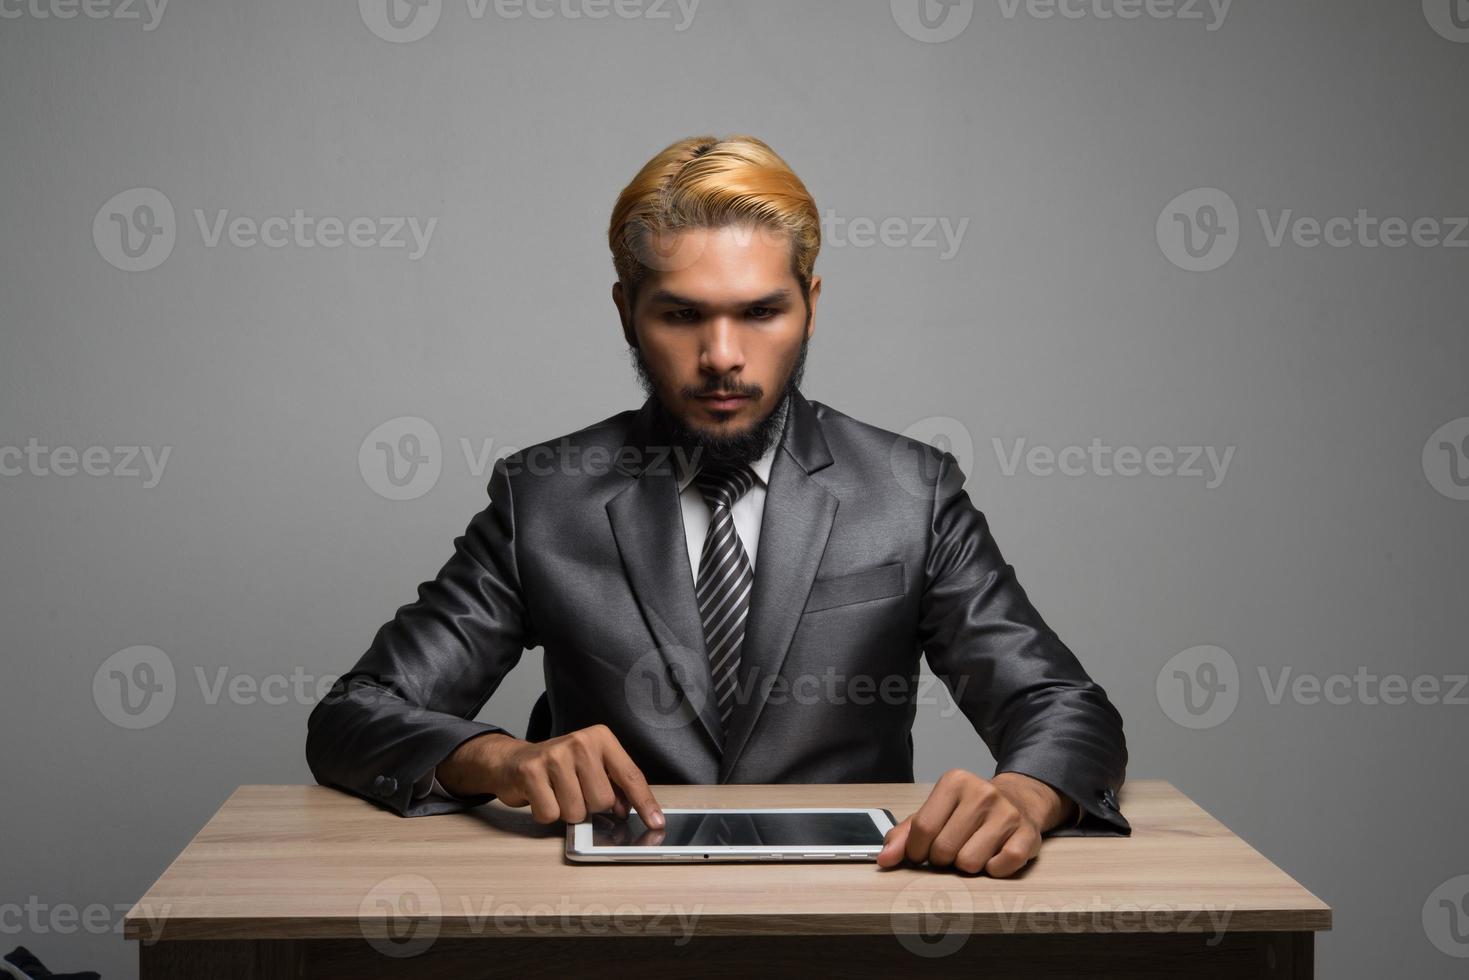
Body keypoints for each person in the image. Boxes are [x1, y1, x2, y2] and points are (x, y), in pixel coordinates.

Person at [306, 134, 1129, 877]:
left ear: (810, 304)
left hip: (851, 919)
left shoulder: (911, 492)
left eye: (761, 311)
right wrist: (502, 761)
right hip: (605, 929)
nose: (722, 357)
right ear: (627, 312)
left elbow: (1060, 705)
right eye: (681, 315)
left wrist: (1023, 797)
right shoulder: (544, 497)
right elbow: (355, 716)